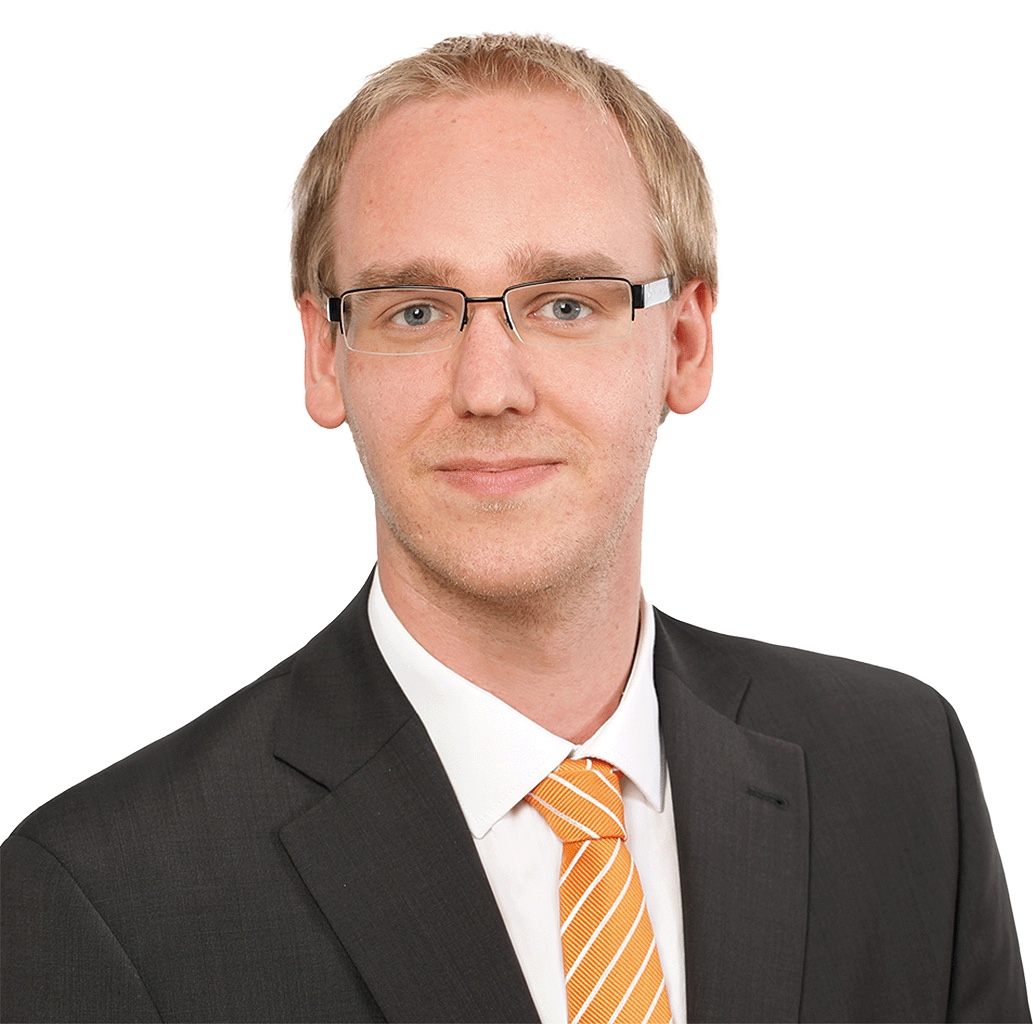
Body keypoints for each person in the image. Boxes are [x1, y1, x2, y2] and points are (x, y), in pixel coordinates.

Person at [0, 32, 1027, 1024]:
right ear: (324, 356)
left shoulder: (902, 776)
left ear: (684, 343)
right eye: (413, 310)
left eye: (566, 305)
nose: (488, 388)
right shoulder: (101, 898)